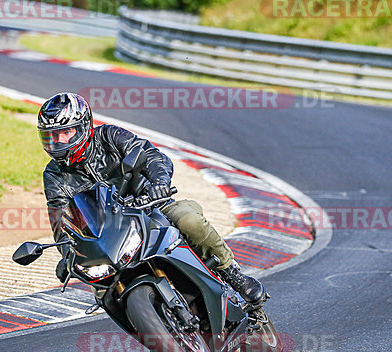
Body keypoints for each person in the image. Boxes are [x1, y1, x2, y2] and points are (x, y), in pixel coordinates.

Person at [37, 92, 266, 304]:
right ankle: (150, 334)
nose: (58, 143)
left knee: (188, 220)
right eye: (51, 137)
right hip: (109, 233)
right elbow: (61, 220)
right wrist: (69, 255)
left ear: (84, 126)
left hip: (151, 207)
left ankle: (231, 273)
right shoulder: (54, 175)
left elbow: (151, 156)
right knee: (101, 290)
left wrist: (159, 184)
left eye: (65, 134)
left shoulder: (109, 136)